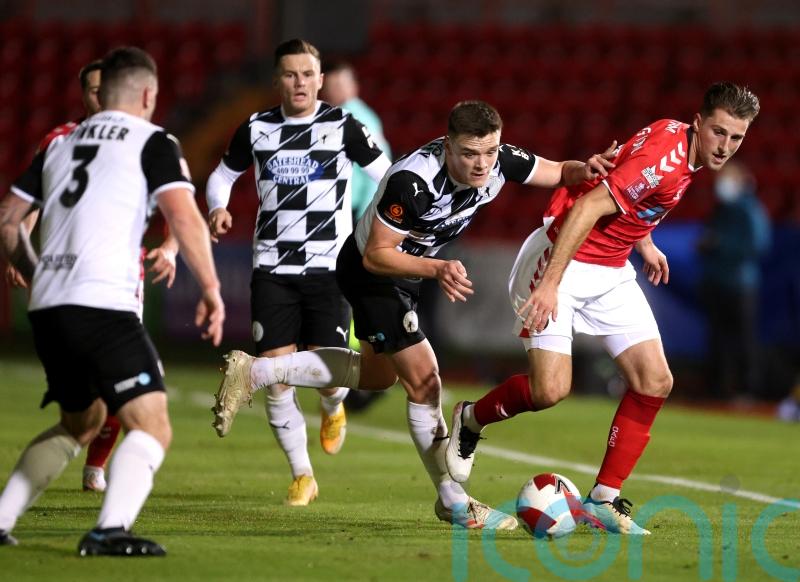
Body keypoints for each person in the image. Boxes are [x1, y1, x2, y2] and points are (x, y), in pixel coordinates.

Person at [212, 100, 615, 529]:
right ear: (448, 146)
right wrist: (437, 268)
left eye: (490, 152)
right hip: (372, 271)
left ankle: (257, 371)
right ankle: (453, 500)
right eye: (470, 154)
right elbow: (376, 255)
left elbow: (558, 171)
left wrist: (585, 168)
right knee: (426, 381)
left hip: (402, 272)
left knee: (377, 376)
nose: (482, 164)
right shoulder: (412, 182)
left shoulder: (500, 161)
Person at [444, 82, 760, 535]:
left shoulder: (673, 135)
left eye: (736, 137)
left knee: (655, 380)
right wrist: (550, 284)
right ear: (698, 123)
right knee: (549, 390)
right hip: (563, 258)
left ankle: (603, 500)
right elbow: (589, 206)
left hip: (611, 266)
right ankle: (471, 418)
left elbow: (624, 193)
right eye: (719, 132)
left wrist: (643, 243)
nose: (725, 146)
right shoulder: (665, 160)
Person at [0, 46, 224, 555]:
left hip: (49, 305)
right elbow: (183, 215)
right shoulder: (153, 141)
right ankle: (110, 529)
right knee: (152, 425)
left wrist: (39, 273)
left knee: (80, 422)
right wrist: (211, 288)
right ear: (147, 95)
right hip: (102, 303)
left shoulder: (61, 143)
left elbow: (8, 220)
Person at [205, 39, 391, 506]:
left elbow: (388, 176)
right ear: (277, 81)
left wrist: (382, 228)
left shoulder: (343, 125)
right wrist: (217, 207)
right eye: (290, 75)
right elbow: (222, 175)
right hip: (272, 268)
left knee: (329, 375)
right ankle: (302, 475)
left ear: (320, 79)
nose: (300, 82)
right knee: (275, 374)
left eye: (308, 74)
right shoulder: (256, 127)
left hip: (329, 268)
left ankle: (333, 405)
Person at [3, 59, 182, 494]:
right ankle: (112, 513)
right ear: (83, 95)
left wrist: (171, 246)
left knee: (99, 404)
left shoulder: (141, 140)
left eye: (106, 88)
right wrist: (20, 249)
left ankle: (94, 468)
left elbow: (178, 204)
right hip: (81, 282)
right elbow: (32, 205)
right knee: (131, 395)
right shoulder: (62, 140)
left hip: (119, 280)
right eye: (93, 90)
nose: (100, 97)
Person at [321, 59, 392, 412]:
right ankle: (367, 367)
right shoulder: (362, 116)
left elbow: (376, 171)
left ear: (352, 86)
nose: (332, 89)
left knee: (347, 294)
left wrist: (364, 218)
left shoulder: (351, 117)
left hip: (356, 215)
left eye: (338, 83)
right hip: (360, 214)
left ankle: (364, 369)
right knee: (355, 293)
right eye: (330, 83)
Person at [697, 160, 770, 399]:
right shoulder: (720, 209)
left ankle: (747, 390)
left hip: (740, 285)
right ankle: (717, 389)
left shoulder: (750, 209)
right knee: (717, 338)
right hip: (716, 283)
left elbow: (758, 245)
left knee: (743, 338)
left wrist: (720, 244)